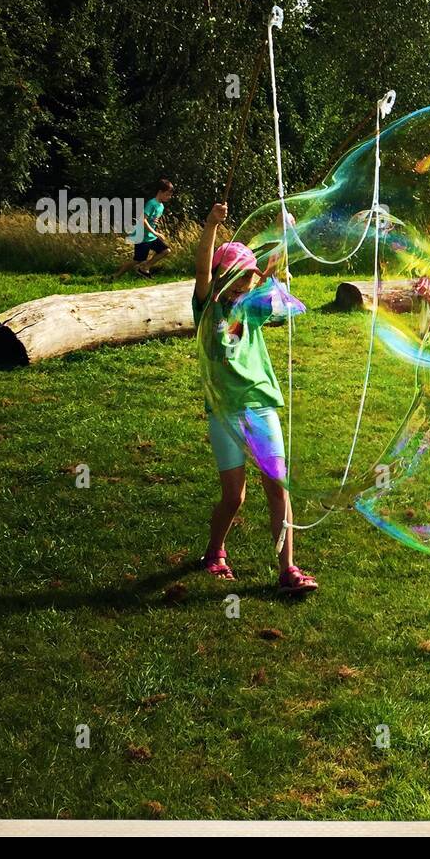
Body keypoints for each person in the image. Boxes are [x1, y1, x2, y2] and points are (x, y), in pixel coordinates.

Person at [193, 202, 317, 595]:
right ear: (224, 277)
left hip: (259, 404)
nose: (247, 283)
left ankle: (288, 569)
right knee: (234, 496)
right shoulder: (207, 306)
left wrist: (284, 232)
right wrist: (211, 225)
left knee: (277, 486)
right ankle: (214, 552)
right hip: (223, 411)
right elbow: (201, 270)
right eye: (240, 276)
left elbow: (273, 269)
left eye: (250, 276)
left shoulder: (252, 308)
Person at [112, 179, 173, 278]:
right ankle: (116, 275)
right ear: (160, 192)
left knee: (166, 251)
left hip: (151, 236)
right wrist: (156, 233)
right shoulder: (151, 203)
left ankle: (145, 267)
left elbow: (152, 220)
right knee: (137, 260)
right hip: (142, 236)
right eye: (167, 194)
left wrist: (155, 230)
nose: (169, 197)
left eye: (170, 195)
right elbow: (142, 220)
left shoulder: (161, 206)